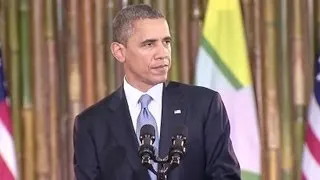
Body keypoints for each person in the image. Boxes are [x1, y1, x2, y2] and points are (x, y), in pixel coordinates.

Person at [73, 4, 240, 180]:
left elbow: (226, 176)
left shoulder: (204, 105)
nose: (162, 53)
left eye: (166, 42)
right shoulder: (91, 124)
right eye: (149, 44)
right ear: (120, 52)